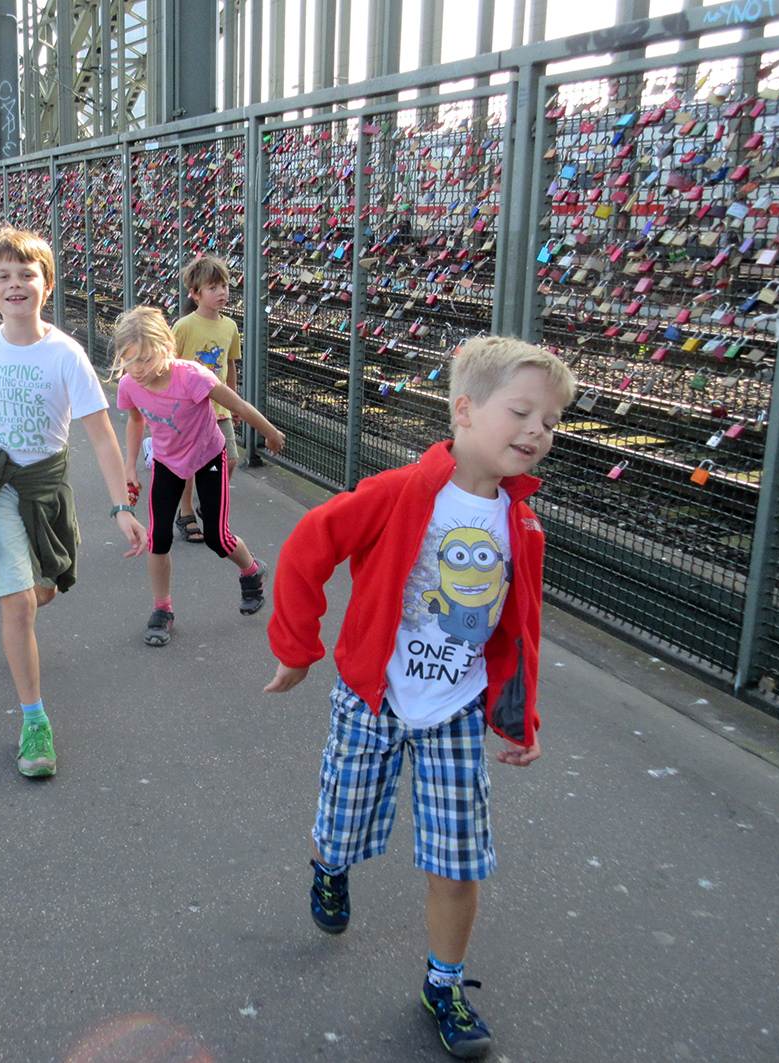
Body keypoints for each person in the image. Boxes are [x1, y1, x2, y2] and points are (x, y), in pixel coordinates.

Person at [262, 337, 576, 1059]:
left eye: (551, 422)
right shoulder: (402, 492)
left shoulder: (521, 523)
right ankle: (328, 865)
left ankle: (444, 983)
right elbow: (310, 543)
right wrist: (295, 648)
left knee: (458, 861)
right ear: (463, 411)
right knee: (340, 826)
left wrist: (514, 714)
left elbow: (515, 627)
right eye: (522, 412)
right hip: (372, 699)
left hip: (455, 714)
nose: (537, 432)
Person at [0, 227, 146, 777]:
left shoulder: (66, 355)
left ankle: (32, 605)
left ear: (47, 283)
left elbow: (103, 435)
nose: (16, 284)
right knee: (16, 602)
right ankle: (35, 722)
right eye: (3, 276)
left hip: (46, 487)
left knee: (42, 592)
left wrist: (121, 507)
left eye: (26, 274)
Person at [113, 307, 285, 647]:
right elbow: (135, 422)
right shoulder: (130, 384)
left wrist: (270, 432)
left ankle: (251, 571)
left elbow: (237, 406)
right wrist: (130, 466)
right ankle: (162, 609)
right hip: (167, 461)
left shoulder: (192, 376)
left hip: (208, 455)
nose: (139, 370)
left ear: (167, 347)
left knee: (217, 538)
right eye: (130, 361)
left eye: (146, 359)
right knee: (158, 536)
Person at [171, 255, 242, 544]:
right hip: (189, 409)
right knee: (188, 466)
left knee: (232, 460)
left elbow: (230, 365)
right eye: (213, 287)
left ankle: (208, 502)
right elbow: (170, 366)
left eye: (224, 286)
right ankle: (186, 513)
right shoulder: (184, 326)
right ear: (195, 293)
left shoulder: (229, 327)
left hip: (220, 408)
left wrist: (234, 402)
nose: (221, 292)